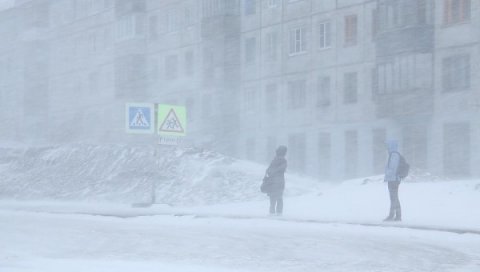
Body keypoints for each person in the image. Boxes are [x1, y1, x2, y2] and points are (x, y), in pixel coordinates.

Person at [264, 145, 287, 215]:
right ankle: (278, 213)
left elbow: (269, 170)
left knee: (273, 198)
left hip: (274, 182)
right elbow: (280, 169)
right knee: (278, 198)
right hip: (278, 181)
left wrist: (271, 172)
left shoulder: (276, 160)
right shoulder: (282, 160)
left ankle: (273, 213)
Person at [383, 140, 402, 222]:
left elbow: (392, 168)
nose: (386, 148)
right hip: (393, 179)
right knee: (394, 197)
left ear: (391, 146)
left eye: (388, 146)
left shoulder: (394, 155)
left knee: (394, 197)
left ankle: (395, 215)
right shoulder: (393, 154)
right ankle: (396, 215)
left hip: (393, 179)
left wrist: (387, 173)